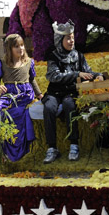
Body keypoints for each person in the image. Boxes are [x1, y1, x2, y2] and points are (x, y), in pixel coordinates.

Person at [42, 20, 103, 164]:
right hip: (54, 93)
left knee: (70, 105)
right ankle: (52, 148)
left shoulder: (79, 56)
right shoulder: (53, 56)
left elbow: (87, 72)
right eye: (68, 38)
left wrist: (98, 75)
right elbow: (54, 76)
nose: (71, 41)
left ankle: (74, 145)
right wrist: (76, 74)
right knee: (49, 107)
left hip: (71, 93)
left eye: (72, 37)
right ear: (59, 40)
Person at [0, 34, 43, 161]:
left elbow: (32, 80)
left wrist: (40, 95)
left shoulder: (29, 62)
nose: (20, 48)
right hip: (9, 94)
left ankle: (22, 145)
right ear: (9, 49)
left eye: (22, 45)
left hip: (24, 94)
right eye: (16, 46)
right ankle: (2, 146)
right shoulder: (2, 62)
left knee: (20, 112)